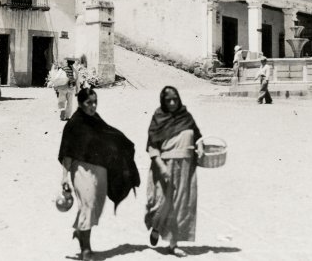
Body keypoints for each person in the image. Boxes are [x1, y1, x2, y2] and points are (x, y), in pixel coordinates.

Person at [58, 88, 140, 261]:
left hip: (100, 169)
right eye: (89, 103)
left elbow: (110, 136)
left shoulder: (96, 120)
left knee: (96, 204)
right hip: (80, 169)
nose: (93, 106)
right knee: (88, 204)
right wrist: (64, 177)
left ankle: (81, 232)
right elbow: (67, 152)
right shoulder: (74, 124)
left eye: (95, 102)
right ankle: (85, 249)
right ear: (80, 104)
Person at [145, 86, 204, 257]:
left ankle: (173, 244)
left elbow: (198, 135)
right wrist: (162, 167)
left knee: (181, 204)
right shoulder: (158, 117)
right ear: (163, 101)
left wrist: (199, 145)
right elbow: (151, 145)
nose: (172, 103)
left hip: (186, 166)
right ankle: (156, 226)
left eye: (175, 100)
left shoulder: (186, 116)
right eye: (168, 100)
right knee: (161, 203)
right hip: (164, 164)